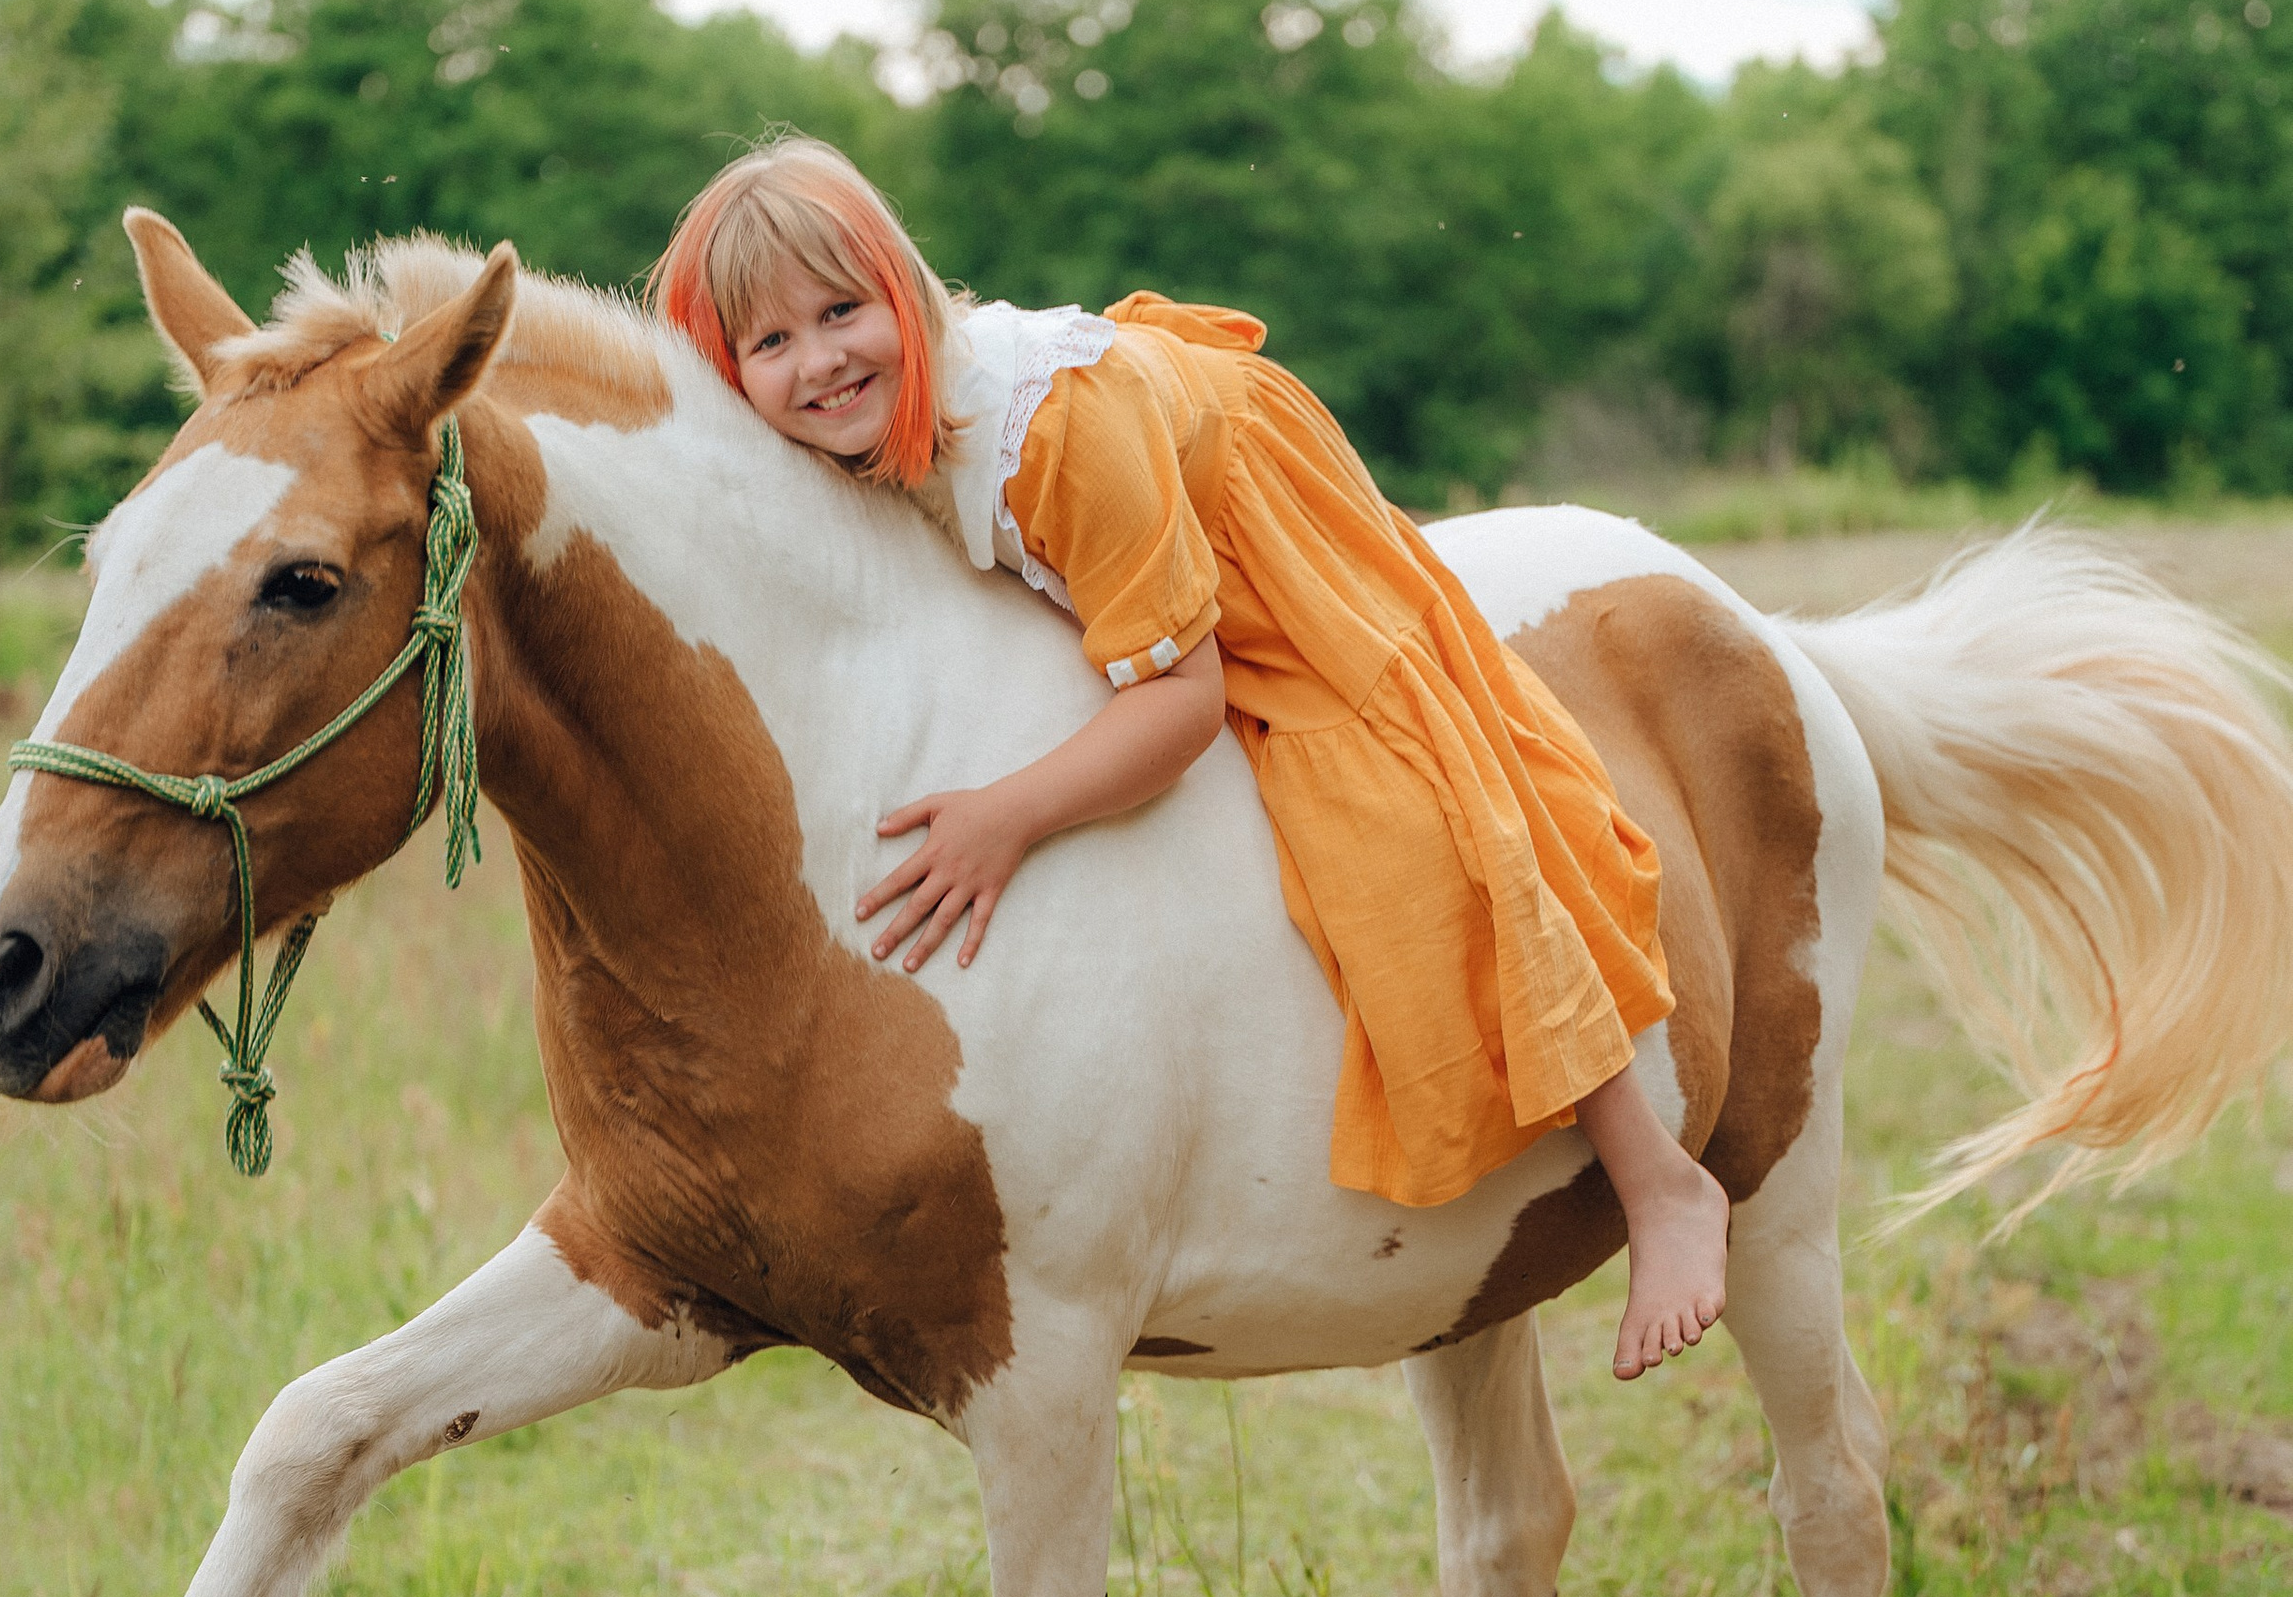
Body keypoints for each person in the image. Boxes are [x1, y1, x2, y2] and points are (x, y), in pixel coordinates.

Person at [651, 140, 1729, 1379]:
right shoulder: (851, 439)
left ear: (905, 291)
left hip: (1262, 546)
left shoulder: (1049, 434)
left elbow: (1178, 700)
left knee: (1434, 832)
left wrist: (1007, 815)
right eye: (767, 345)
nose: (818, 361)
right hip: (1143, 527)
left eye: (842, 313)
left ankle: (1656, 1181)